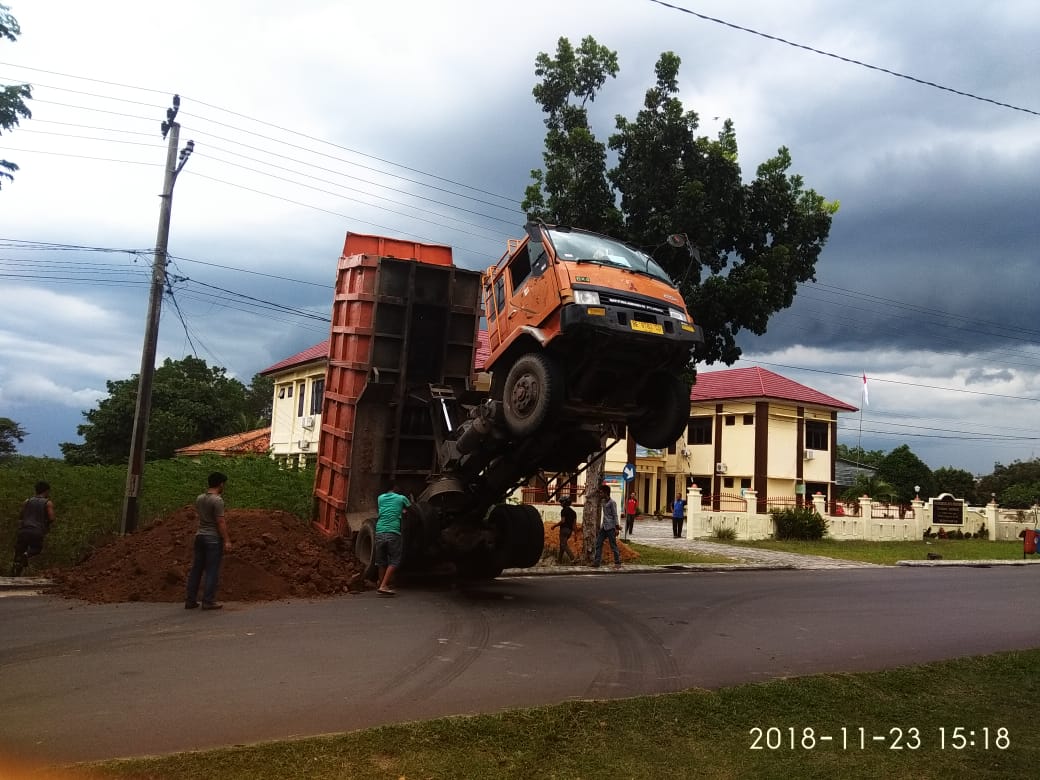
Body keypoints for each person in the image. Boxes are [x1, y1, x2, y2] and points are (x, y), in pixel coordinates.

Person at [185, 472, 231, 610]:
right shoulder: (217, 500)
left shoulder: (200, 498)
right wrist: (227, 540)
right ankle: (208, 601)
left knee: (196, 569)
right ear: (221, 484)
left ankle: (190, 600)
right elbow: (220, 521)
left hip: (199, 536)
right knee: (211, 570)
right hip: (212, 538)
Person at [10, 481, 55, 576]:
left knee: (18, 552)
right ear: (46, 491)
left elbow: (21, 515)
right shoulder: (47, 502)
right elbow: (51, 518)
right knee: (36, 548)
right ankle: (26, 555)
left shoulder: (27, 501)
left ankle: (15, 574)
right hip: (37, 530)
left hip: (24, 530)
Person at [374, 482, 411, 596]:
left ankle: (381, 583)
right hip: (393, 532)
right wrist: (404, 511)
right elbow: (411, 508)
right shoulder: (401, 498)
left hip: (379, 531)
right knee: (394, 560)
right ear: (395, 488)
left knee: (381, 561)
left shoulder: (380, 498)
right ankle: (384, 586)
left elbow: (386, 509)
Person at [593, 485, 622, 569]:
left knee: (613, 545)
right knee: (598, 543)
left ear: (606, 493)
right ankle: (597, 562)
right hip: (604, 526)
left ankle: (617, 563)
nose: (600, 494)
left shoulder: (612, 502)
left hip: (611, 527)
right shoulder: (603, 501)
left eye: (602, 492)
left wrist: (616, 527)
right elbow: (596, 496)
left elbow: (615, 515)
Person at [551, 496, 577, 564]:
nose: (560, 504)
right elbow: (574, 525)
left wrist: (554, 526)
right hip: (569, 531)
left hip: (564, 530)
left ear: (564, 503)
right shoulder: (573, 512)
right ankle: (559, 560)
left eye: (561, 502)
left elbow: (563, 521)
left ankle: (573, 558)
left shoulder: (563, 510)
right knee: (562, 545)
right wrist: (575, 534)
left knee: (563, 545)